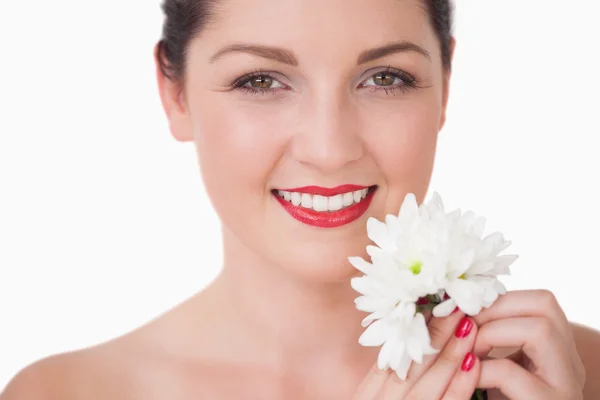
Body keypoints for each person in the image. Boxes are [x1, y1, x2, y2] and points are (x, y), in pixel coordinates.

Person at [1, 0, 599, 398]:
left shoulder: (568, 374)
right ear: (175, 93)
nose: (330, 148)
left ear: (445, 84)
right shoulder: (61, 393)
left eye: (385, 78)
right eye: (260, 80)